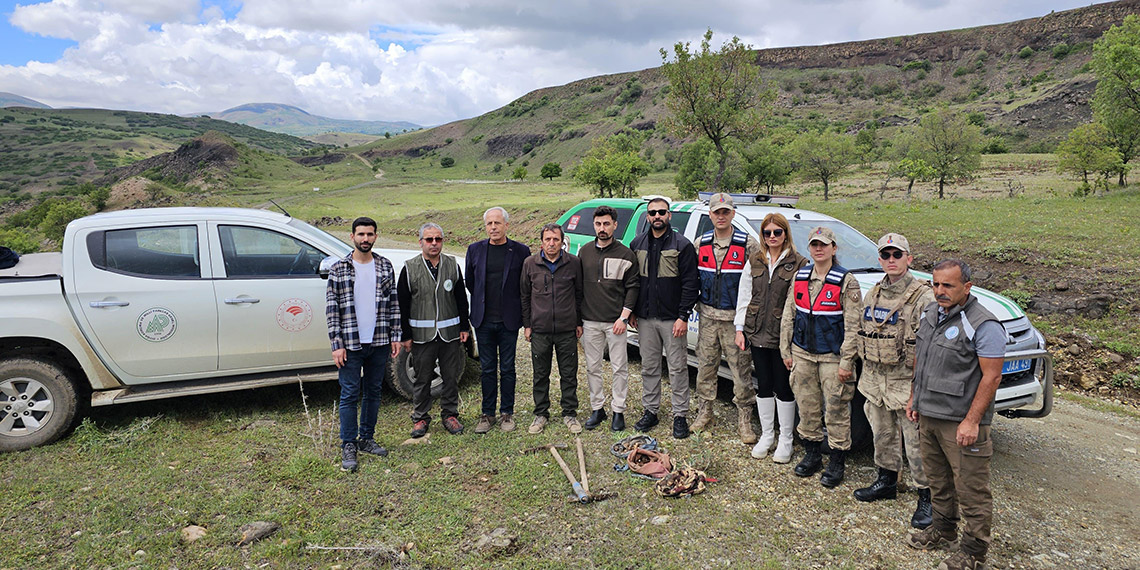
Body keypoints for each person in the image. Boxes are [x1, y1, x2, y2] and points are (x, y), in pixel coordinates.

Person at [906, 259, 1005, 570]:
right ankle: (943, 528)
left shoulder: (983, 324)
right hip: (929, 413)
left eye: (948, 285)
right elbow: (921, 356)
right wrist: (914, 397)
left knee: (971, 487)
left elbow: (992, 377)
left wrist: (972, 421)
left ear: (967, 287)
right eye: (935, 284)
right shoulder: (930, 313)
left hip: (961, 420)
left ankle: (975, 551)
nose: (940, 291)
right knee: (938, 479)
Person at [852, 233, 937, 529]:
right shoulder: (873, 293)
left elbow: (928, 348)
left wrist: (918, 390)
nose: (891, 260)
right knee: (882, 433)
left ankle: (927, 496)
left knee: (916, 443)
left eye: (897, 254)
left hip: (906, 381)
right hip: (876, 379)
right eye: (886, 255)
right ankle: (886, 481)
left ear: (908, 258)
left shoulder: (924, 297)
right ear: (879, 259)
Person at [780, 226, 862, 488]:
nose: (819, 249)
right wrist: (786, 350)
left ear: (833, 249)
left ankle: (837, 461)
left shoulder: (846, 281)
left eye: (824, 245)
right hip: (802, 354)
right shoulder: (800, 276)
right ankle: (812, 455)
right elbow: (789, 315)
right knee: (807, 407)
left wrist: (847, 361)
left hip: (832, 357)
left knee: (836, 409)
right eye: (814, 245)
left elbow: (853, 327)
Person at [325, 216, 401, 473]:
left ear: (375, 236)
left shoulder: (384, 266)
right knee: (349, 393)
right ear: (352, 237)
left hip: (378, 341)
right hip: (350, 343)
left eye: (370, 234)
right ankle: (348, 444)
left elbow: (393, 304)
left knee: (373, 392)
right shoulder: (339, 269)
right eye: (361, 234)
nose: (365, 239)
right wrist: (336, 344)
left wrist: (395, 335)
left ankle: (366, 438)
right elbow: (332, 309)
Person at [734, 212, 808, 463]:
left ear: (785, 234)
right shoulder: (755, 260)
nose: (772, 236)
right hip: (756, 332)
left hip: (782, 336)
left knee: (783, 386)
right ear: (762, 236)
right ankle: (767, 435)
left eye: (778, 232)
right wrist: (739, 328)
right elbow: (745, 295)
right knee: (763, 384)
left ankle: (785, 439)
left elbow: (799, 303)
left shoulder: (799, 263)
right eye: (768, 233)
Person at [692, 192, 763, 444]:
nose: (721, 216)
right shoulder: (701, 243)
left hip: (735, 321)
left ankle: (744, 419)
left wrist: (749, 317)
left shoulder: (748, 245)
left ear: (733, 214)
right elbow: (692, 279)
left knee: (741, 371)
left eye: (725, 212)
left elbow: (758, 284)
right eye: (716, 212)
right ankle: (705, 412)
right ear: (710, 215)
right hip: (708, 318)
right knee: (705, 368)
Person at [630, 197, 699, 439]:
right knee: (649, 367)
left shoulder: (682, 245)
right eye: (652, 212)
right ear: (647, 216)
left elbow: (691, 283)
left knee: (677, 368)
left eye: (661, 212)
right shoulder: (637, 244)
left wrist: (683, 316)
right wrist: (632, 310)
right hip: (645, 318)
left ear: (669, 215)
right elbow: (633, 282)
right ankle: (651, 411)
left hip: (672, 320)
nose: (657, 216)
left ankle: (680, 415)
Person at [397, 223, 471, 438]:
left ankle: (450, 415)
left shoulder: (452, 265)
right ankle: (420, 418)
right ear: (420, 242)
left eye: (438, 239)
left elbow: (460, 298)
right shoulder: (410, 268)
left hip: (450, 334)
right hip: (422, 337)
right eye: (429, 239)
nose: (434, 243)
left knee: (450, 377)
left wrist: (464, 327)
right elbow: (402, 304)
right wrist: (405, 335)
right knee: (422, 379)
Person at [466, 207, 531, 434]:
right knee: (487, 368)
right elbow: (470, 282)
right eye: (489, 224)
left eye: (497, 223)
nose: (493, 227)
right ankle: (487, 414)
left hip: (508, 320)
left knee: (507, 368)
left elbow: (525, 285)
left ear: (506, 225)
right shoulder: (474, 250)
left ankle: (507, 413)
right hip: (483, 320)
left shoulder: (521, 251)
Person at [578, 205, 639, 431]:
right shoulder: (584, 252)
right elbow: (578, 287)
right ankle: (597, 408)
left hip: (616, 322)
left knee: (619, 367)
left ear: (615, 225)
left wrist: (623, 317)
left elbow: (633, 287)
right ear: (594, 225)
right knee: (592, 367)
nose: (602, 228)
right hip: (590, 320)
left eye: (606, 224)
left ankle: (618, 411)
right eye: (598, 224)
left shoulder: (626, 254)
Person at [520, 223, 584, 434]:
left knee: (569, 373)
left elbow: (579, 294)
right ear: (541, 242)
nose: (551, 243)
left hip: (566, 329)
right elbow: (525, 296)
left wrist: (578, 322)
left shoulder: (574, 263)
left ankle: (570, 413)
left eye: (556, 239)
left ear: (562, 242)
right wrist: (527, 325)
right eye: (547, 239)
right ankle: (541, 413)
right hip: (540, 329)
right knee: (540, 374)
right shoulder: (530, 263)